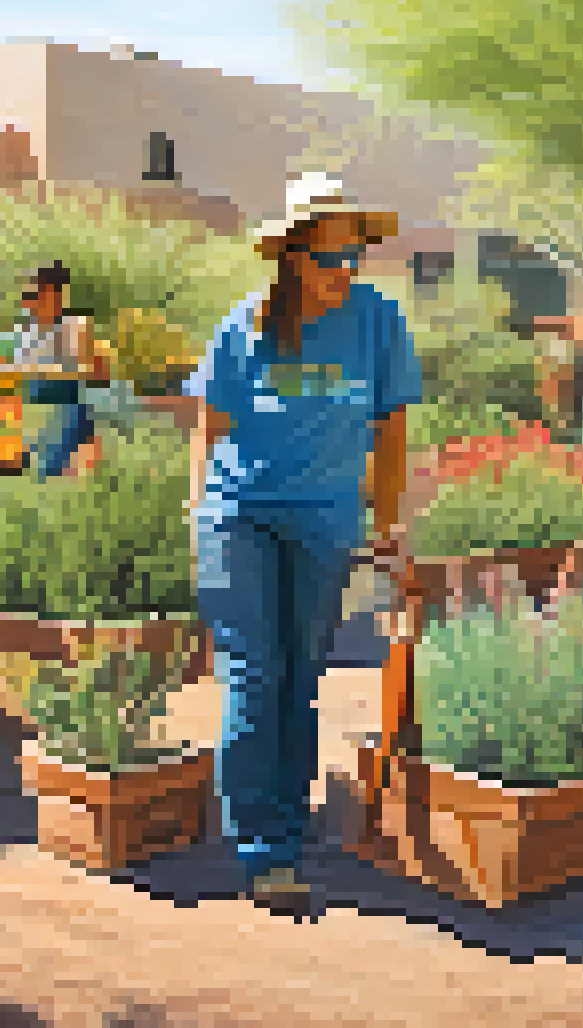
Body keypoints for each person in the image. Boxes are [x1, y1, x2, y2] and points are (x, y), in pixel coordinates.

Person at [187, 173, 421, 919]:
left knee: (302, 677)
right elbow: (209, 426)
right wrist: (199, 512)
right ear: (292, 257)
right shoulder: (245, 324)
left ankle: (283, 819)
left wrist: (388, 525)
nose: (343, 274)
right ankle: (265, 847)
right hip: (241, 518)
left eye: (354, 259)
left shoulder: (378, 321)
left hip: (326, 521)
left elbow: (391, 431)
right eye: (329, 261)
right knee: (255, 675)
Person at [10, 262, 111, 479]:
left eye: (36, 293)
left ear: (54, 295)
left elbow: (99, 374)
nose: (29, 301)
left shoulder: (75, 326)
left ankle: (50, 469)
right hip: (34, 406)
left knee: (72, 411)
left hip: (69, 405)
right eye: (29, 294)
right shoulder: (26, 332)